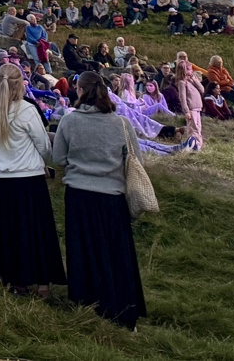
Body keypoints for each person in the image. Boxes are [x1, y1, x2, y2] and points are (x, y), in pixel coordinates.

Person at [52, 72, 146, 329]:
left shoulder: (70, 122)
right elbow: (137, 159)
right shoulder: (121, 124)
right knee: (115, 253)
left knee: (83, 251)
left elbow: (58, 159)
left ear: (80, 91)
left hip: (80, 194)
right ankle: (122, 305)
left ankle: (87, 301)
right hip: (112, 196)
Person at [0, 63, 63, 295]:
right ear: (20, 84)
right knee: (36, 230)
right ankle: (43, 282)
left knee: (10, 230)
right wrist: (47, 161)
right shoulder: (26, 110)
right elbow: (43, 144)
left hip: (4, 177)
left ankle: (14, 278)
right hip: (28, 176)